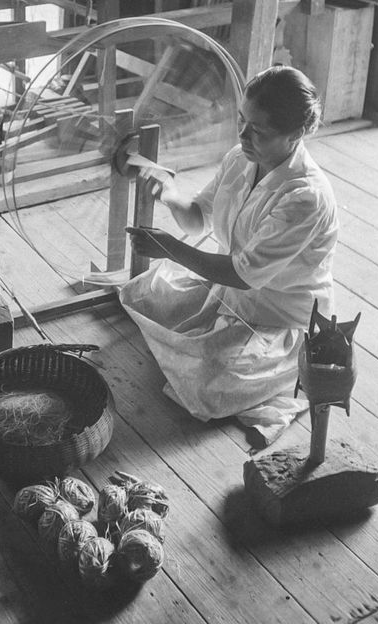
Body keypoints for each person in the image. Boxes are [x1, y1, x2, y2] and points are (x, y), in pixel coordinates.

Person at [120, 66, 339, 447]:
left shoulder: (304, 197)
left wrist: (167, 247)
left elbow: (242, 274)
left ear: (296, 134)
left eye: (259, 130)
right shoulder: (241, 158)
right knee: (141, 293)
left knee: (208, 377)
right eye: (242, 120)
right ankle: (215, 346)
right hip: (229, 294)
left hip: (278, 318)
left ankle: (280, 373)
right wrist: (168, 191)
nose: (243, 135)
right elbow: (197, 217)